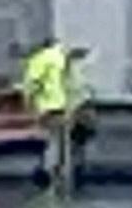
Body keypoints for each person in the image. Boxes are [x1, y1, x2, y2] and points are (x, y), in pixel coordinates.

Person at [19, 33, 86, 186]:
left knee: (50, 139)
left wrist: (27, 101)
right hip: (63, 105)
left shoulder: (40, 58)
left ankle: (46, 172)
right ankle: (61, 172)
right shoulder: (62, 57)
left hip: (47, 106)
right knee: (62, 140)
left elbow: (32, 83)